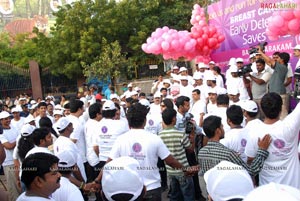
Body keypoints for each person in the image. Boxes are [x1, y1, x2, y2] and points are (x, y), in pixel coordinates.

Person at [98, 102, 192, 201]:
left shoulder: (120, 140)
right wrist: (185, 169)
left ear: (128, 121)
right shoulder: (154, 139)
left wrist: (97, 180)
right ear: (145, 120)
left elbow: (109, 162)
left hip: (131, 191)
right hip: (152, 188)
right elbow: (170, 161)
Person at [245, 92, 300, 188]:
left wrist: (261, 152)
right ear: (281, 108)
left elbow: (250, 159)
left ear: (261, 109)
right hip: (292, 188)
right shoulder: (289, 126)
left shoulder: (255, 132)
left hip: (268, 189)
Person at [198, 115, 271, 177]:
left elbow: (202, 173)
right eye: (222, 126)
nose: (223, 129)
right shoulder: (228, 154)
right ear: (218, 131)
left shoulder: (201, 153)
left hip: (212, 192)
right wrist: (262, 150)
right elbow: (251, 171)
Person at [159, 108, 198, 200]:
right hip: (184, 171)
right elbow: (190, 150)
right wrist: (192, 136)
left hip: (170, 171)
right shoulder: (180, 134)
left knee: (175, 196)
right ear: (173, 119)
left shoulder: (160, 135)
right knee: (188, 195)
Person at [259, 48, 289, 119]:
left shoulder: (282, 67)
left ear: (282, 60)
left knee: (282, 114)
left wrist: (260, 52)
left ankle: (285, 129)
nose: (276, 59)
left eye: (278, 58)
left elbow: (270, 60)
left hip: (280, 94)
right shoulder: (278, 67)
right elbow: (268, 62)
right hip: (276, 94)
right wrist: (262, 53)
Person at [0, 111, 20, 201]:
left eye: (8, 118)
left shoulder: (14, 128)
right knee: (13, 189)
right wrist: (19, 140)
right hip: (8, 163)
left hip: (17, 161)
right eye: (5, 119)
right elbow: (8, 146)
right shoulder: (1, 133)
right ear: (1, 121)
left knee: (19, 186)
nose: (8, 120)